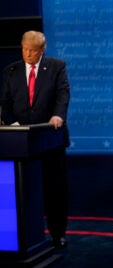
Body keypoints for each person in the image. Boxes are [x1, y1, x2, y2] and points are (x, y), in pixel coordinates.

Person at [0, 30, 70, 248]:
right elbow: (5, 102)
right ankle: (24, 236)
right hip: (19, 141)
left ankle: (58, 234)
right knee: (22, 190)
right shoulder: (11, 71)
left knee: (54, 189)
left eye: (33, 50)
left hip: (49, 138)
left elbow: (63, 94)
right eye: (25, 49)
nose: (28, 54)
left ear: (43, 49)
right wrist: (12, 127)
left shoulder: (57, 67)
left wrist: (58, 115)